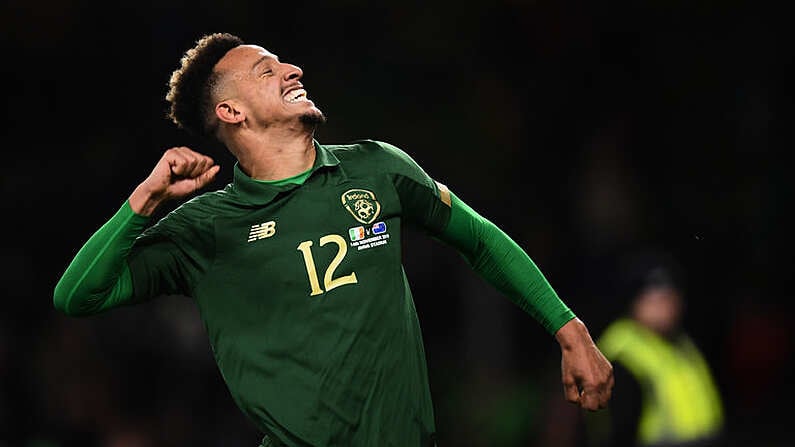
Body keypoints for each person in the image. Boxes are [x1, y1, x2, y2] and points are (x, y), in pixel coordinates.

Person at [53, 32, 613, 446]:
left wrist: (569, 330)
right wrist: (145, 201)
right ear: (231, 112)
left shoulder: (376, 168)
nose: (292, 69)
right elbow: (77, 296)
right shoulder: (205, 229)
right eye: (267, 71)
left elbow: (480, 238)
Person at [586, 252, 724, 447]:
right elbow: (616, 432)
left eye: (669, 298)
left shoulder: (681, 343)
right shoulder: (622, 354)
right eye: (654, 300)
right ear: (635, 302)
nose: (664, 307)